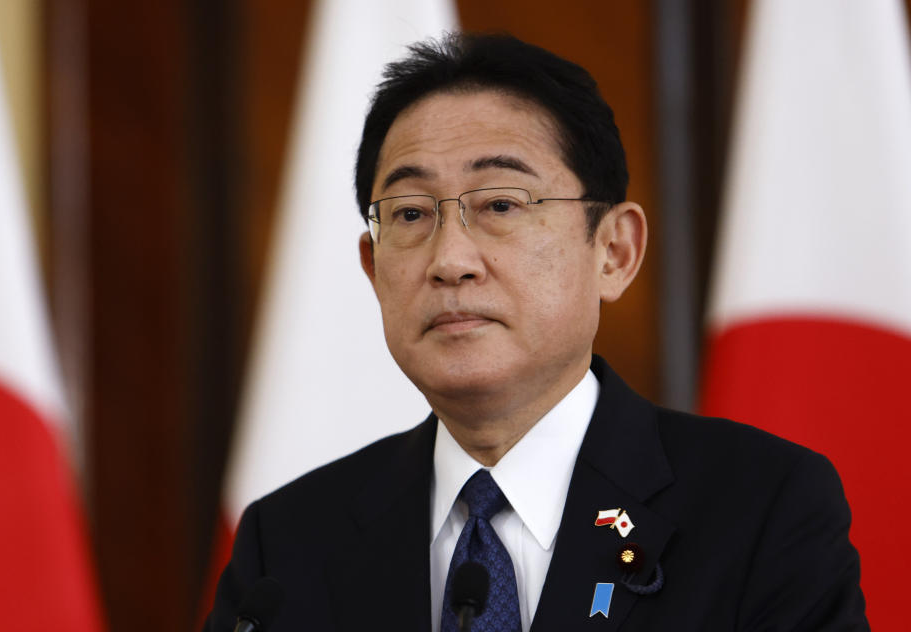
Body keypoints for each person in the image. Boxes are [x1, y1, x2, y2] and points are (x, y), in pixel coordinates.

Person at [205, 33, 867, 631]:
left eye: (500, 204)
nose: (450, 261)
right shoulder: (289, 540)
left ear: (614, 251)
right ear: (374, 268)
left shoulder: (761, 507)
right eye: (410, 214)